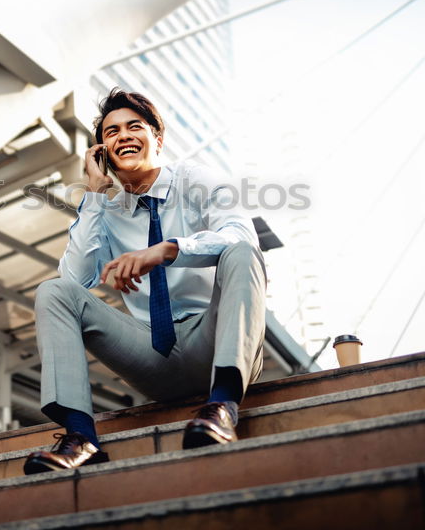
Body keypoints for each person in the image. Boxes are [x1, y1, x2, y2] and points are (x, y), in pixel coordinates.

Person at [23, 88, 266, 474]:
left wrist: (168, 249)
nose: (123, 136)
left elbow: (241, 234)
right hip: (154, 356)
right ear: (102, 151)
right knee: (53, 291)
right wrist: (96, 195)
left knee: (242, 251)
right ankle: (81, 437)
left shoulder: (195, 179)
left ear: (158, 137)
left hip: (215, 341)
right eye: (111, 132)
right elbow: (74, 279)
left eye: (134, 126)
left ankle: (222, 408)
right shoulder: (107, 207)